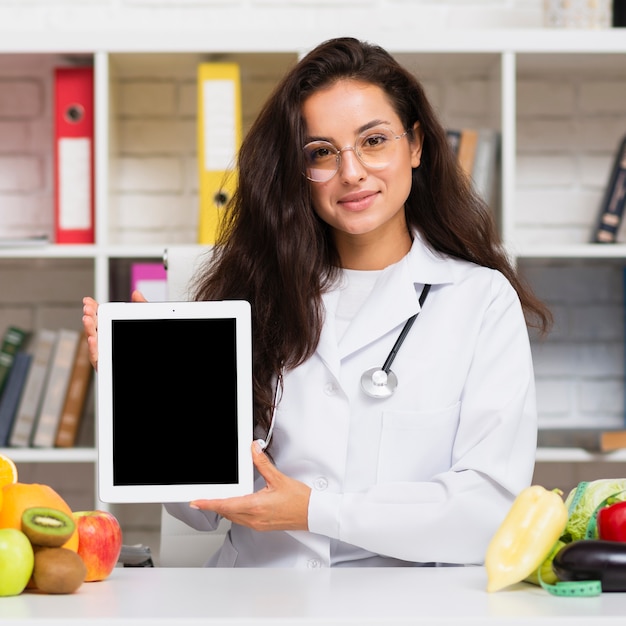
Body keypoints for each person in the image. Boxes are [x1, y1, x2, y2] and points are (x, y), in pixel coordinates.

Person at [83, 36, 551, 568]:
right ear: (297, 171)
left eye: (374, 141)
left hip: (407, 603)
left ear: (416, 145)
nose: (351, 172)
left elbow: (487, 512)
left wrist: (315, 511)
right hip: (255, 596)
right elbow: (201, 509)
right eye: (321, 152)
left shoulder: (479, 301)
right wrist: (151, 392)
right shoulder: (251, 294)